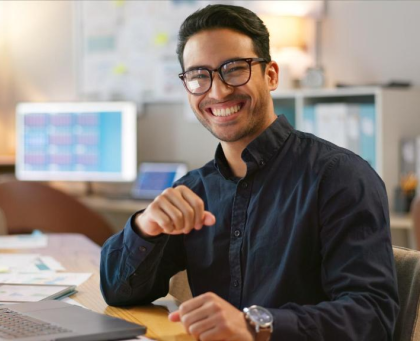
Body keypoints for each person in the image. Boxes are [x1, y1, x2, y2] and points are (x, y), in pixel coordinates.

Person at [100, 4, 398, 340]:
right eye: (199, 76)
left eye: (234, 68)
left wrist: (257, 325)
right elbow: (118, 292)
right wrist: (146, 227)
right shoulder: (195, 190)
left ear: (270, 75)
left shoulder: (339, 177)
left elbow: (373, 318)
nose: (217, 91)